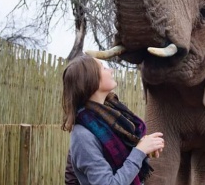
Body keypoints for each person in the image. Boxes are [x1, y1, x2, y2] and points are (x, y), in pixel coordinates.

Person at [62, 55, 165, 185]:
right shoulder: (83, 135)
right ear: (91, 80)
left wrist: (145, 150)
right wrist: (139, 152)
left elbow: (125, 163)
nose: (111, 71)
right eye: (103, 68)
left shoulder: (110, 119)